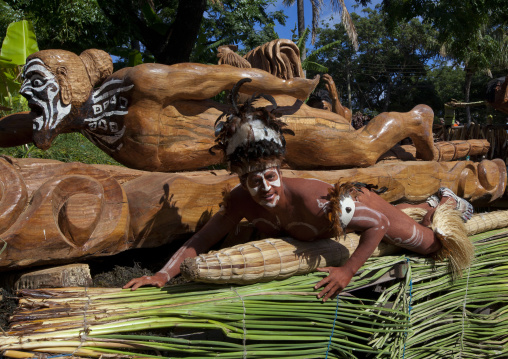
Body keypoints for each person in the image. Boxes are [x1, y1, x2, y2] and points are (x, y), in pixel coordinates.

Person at [124, 79, 474, 301]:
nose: (264, 188)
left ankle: (445, 199)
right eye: (253, 180)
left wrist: (347, 271)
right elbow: (200, 240)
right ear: (242, 181)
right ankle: (426, 203)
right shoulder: (241, 201)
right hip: (345, 216)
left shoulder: (315, 201)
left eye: (270, 177)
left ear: (280, 170)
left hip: (362, 206)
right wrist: (162, 274)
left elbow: (377, 226)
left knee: (432, 244)